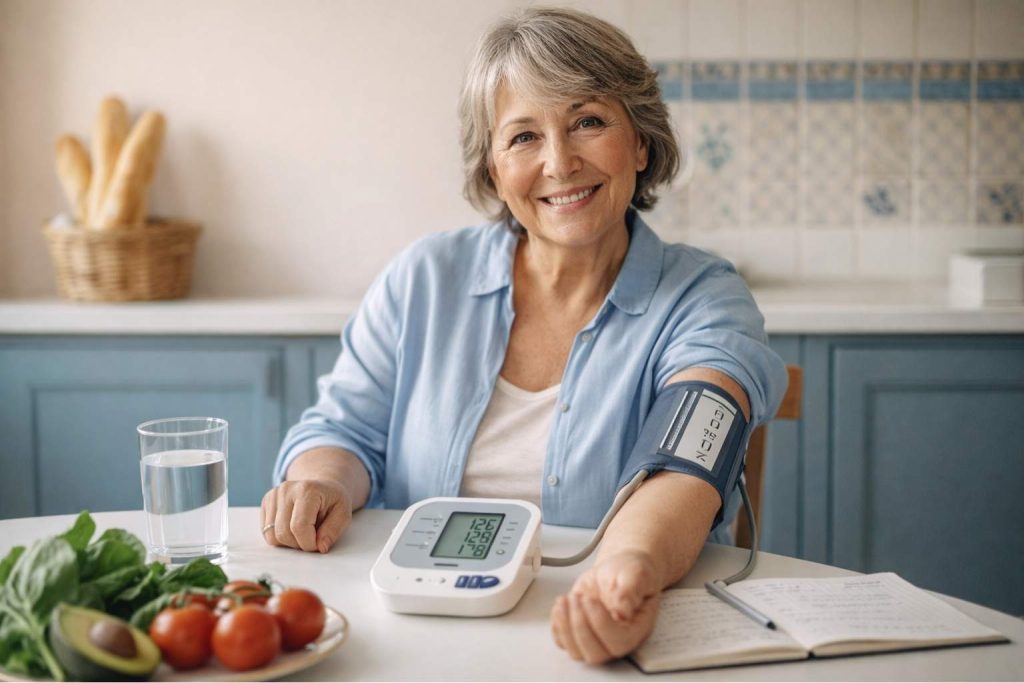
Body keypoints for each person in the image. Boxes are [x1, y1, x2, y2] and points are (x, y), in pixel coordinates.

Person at [261, 6, 786, 665]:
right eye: (523, 137)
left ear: (641, 141)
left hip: (598, 629)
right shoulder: (423, 279)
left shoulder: (704, 295)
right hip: (409, 633)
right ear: (491, 169)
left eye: (588, 121)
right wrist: (323, 482)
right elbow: (341, 432)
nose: (560, 162)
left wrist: (629, 571)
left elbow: (686, 462)